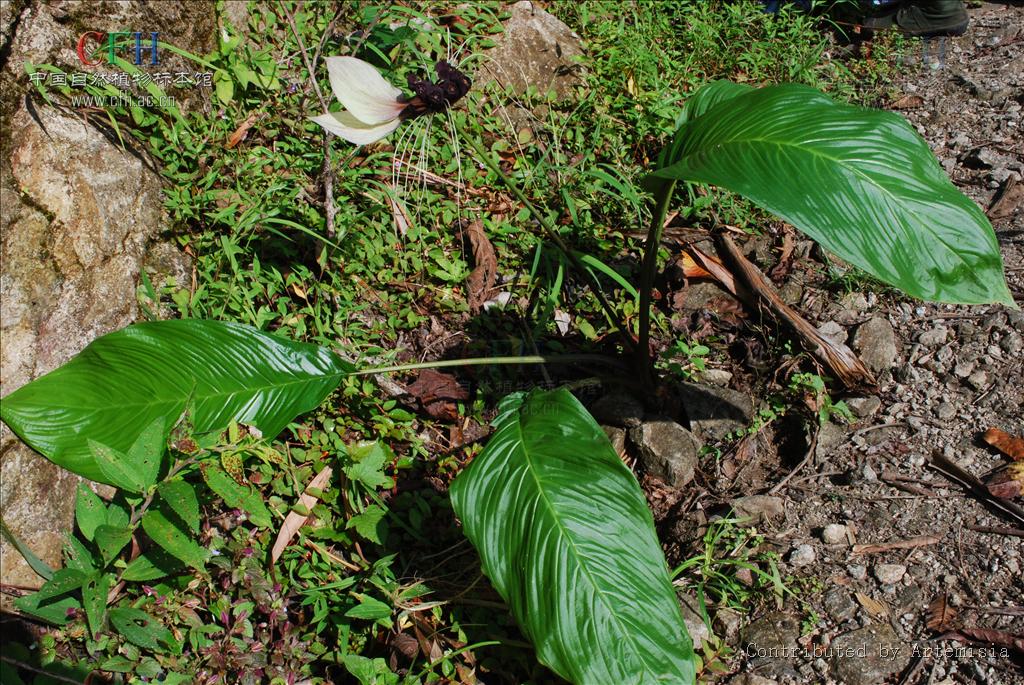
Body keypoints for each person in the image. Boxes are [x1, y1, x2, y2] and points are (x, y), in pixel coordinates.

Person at [862, 0, 970, 37]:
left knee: (868, 25)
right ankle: (950, 10)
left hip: (936, 13)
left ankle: (936, 13)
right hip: (955, 12)